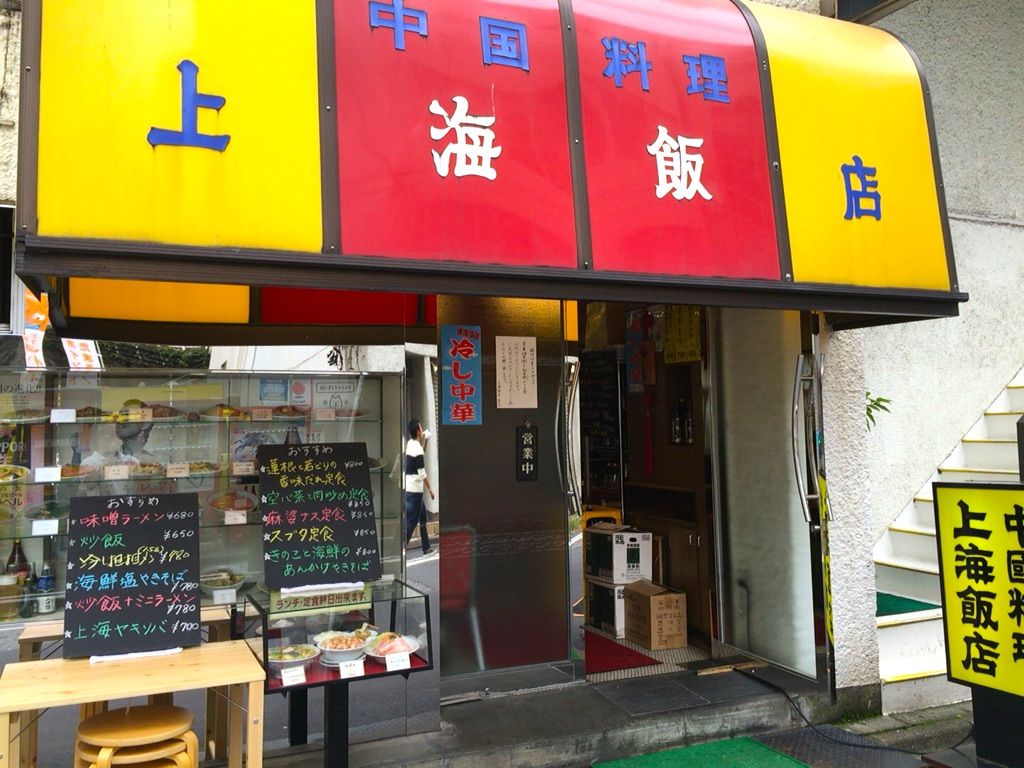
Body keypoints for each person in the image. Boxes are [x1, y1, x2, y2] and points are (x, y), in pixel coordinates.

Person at [404, 418, 434, 556]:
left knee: (422, 518)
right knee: (410, 524)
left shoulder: (411, 444)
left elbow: (421, 453)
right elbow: (422, 473)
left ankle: (426, 548)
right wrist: (430, 489)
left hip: (410, 488)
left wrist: (426, 440)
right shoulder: (417, 449)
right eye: (421, 428)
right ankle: (399, 550)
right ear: (417, 431)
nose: (422, 430)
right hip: (415, 491)